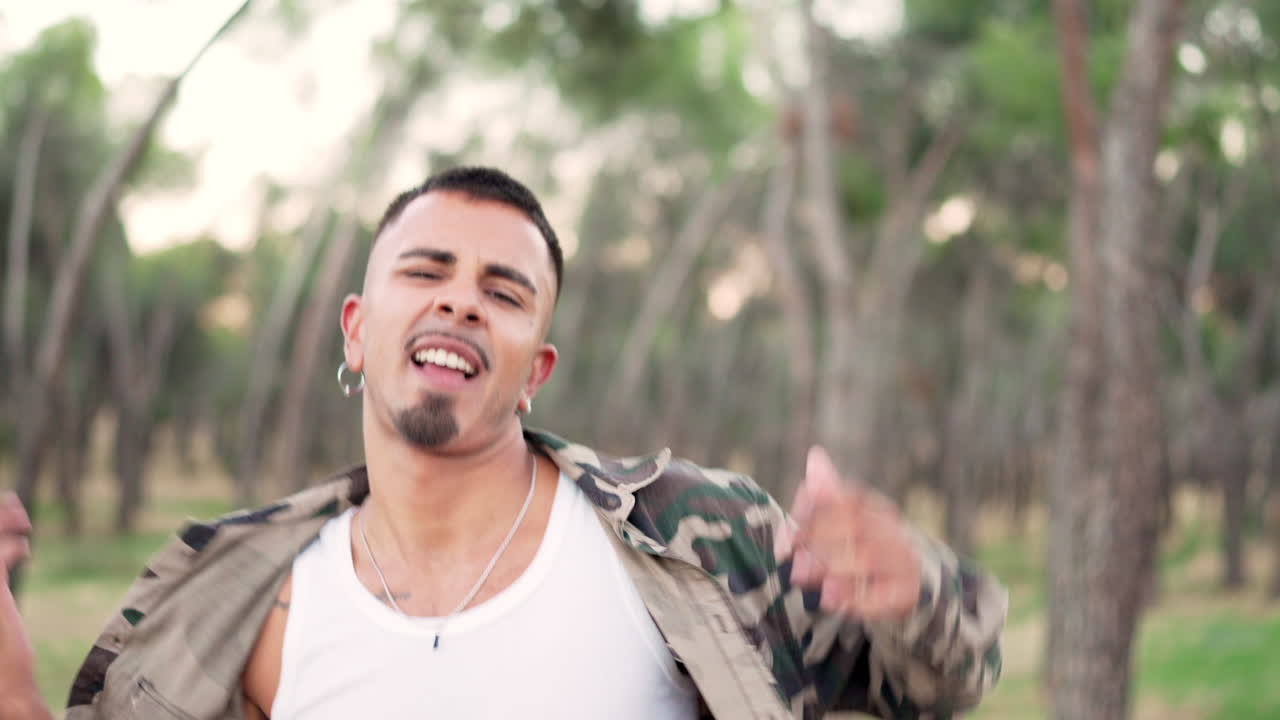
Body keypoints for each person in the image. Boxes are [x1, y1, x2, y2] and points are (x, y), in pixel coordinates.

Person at [0, 166, 1005, 719]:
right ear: (357, 327)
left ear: (537, 367)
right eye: (426, 270)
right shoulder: (243, 593)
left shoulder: (695, 536)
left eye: (502, 290)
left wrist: (916, 588)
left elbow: (941, 686)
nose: (458, 300)